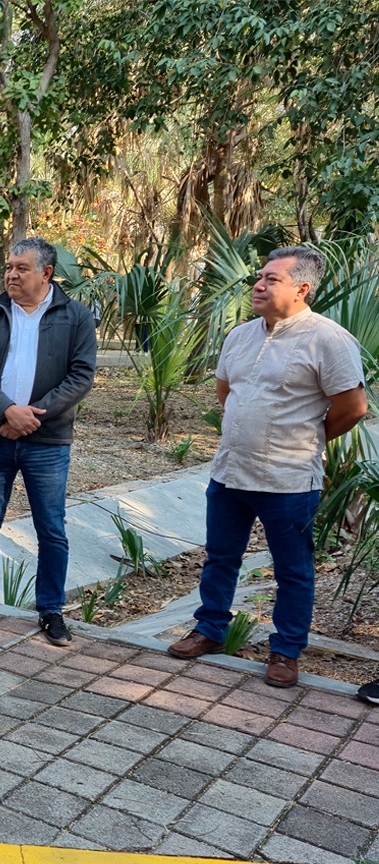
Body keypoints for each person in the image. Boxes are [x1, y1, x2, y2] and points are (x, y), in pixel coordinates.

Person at [167, 247, 366, 688]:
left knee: (292, 570)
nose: (258, 285)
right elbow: (226, 394)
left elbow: (353, 407)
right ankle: (210, 629)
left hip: (289, 480)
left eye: (271, 279)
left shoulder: (328, 340)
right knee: (220, 558)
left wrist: (308, 438)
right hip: (230, 473)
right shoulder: (240, 336)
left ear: (302, 288)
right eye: (259, 277)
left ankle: (286, 650)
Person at [0, 237, 97, 646]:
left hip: (47, 440)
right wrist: (7, 412)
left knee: (51, 527)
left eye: (21, 268)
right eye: (8, 267)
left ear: (46, 273)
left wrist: (31, 416)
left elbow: (81, 376)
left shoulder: (76, 316)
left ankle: (50, 610)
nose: (11, 274)